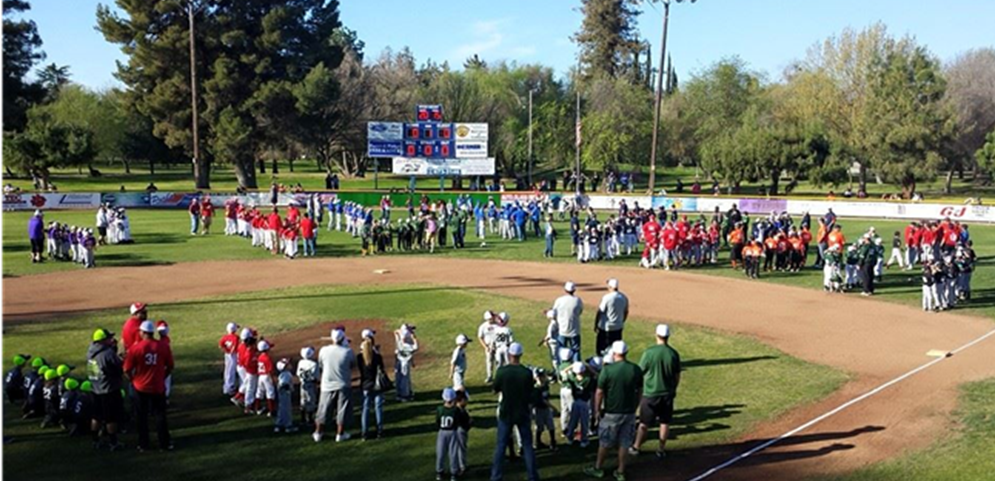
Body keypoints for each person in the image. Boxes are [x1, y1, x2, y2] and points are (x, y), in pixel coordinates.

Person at [586, 342, 643, 481]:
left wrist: (596, 410)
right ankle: (621, 471)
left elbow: (599, 392)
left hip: (611, 412)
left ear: (613, 353)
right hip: (629, 413)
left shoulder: (607, 371)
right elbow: (640, 391)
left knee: (605, 442)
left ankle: (598, 468)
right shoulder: (635, 369)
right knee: (625, 443)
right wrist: (635, 406)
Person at [491, 343, 540, 481]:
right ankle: (532, 476)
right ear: (520, 355)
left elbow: (495, 389)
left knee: (501, 446)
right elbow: (530, 392)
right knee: (527, 445)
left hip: (506, 411)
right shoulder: (526, 373)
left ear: (509, 354)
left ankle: (496, 476)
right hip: (522, 411)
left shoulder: (502, 371)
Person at [631, 325, 681, 459]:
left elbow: (640, 371)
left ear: (656, 335)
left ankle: (636, 446)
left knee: (644, 423)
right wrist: (673, 388)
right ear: (668, 336)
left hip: (650, 393)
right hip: (667, 393)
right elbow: (677, 376)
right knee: (665, 422)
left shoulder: (649, 353)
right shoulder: (673, 353)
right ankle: (661, 449)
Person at [123, 321, 174, 452]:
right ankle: (164, 443)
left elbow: (127, 369)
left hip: (141, 387)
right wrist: (162, 377)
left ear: (143, 333)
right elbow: (170, 366)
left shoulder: (136, 348)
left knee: (142, 417)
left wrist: (132, 380)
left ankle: (143, 444)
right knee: (160, 416)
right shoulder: (163, 346)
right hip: (158, 387)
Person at [314, 329, 356, 443]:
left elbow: (321, 364)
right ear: (343, 339)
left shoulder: (324, 350)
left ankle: (318, 433)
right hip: (343, 384)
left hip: (327, 385)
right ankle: (340, 434)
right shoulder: (348, 352)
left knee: (323, 409)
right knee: (342, 410)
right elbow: (352, 365)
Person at [87, 328, 125, 451]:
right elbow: (118, 369)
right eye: (108, 338)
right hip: (108, 389)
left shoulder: (90, 351)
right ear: (102, 340)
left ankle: (95, 440)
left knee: (96, 416)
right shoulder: (107, 354)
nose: (111, 339)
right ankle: (113, 442)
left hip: (94, 388)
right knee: (111, 417)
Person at [358, 329, 387, 441]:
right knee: (378, 408)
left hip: (365, 385)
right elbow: (381, 369)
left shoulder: (360, 358)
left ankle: (364, 433)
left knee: (365, 409)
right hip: (377, 385)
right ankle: (379, 431)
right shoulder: (377, 357)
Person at [436, 388, 470, 481]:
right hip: (452, 432)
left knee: (440, 452)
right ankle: (454, 473)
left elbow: (438, 421)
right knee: (453, 452)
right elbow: (460, 420)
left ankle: (439, 471)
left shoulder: (439, 409)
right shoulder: (455, 410)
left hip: (442, 432)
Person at [596, 279, 629, 356]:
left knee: (602, 350)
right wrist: (621, 321)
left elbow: (600, 311)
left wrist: (596, 324)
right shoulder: (624, 297)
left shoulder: (607, 297)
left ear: (610, 287)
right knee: (616, 350)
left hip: (606, 328)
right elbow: (626, 312)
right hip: (618, 327)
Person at [553, 282, 584, 363]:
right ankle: (577, 367)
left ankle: (561, 368)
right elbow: (580, 311)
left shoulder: (559, 300)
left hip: (562, 330)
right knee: (576, 351)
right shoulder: (577, 300)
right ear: (574, 290)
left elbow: (554, 313)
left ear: (565, 290)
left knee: (561, 351)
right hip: (575, 330)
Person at [395, 324, 419, 402]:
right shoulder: (407, 345)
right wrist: (414, 338)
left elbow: (395, 332)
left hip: (399, 361)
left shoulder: (399, 341)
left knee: (399, 378)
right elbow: (416, 347)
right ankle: (405, 396)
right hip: (404, 363)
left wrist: (401, 332)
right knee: (405, 379)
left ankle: (399, 394)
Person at [297, 347, 319, 428]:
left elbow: (298, 374)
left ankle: (302, 419)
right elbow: (316, 378)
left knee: (303, 401)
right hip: (311, 385)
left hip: (303, 384)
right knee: (311, 401)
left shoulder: (300, 362)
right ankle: (309, 419)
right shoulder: (314, 364)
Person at [274, 359, 296, 434]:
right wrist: (288, 389)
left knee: (281, 409)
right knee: (287, 410)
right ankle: (288, 426)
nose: (290, 365)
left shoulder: (283, 373)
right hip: (285, 394)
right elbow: (284, 384)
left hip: (282, 394)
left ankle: (279, 425)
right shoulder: (286, 374)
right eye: (288, 364)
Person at [478, 311, 500, 384]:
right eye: (490, 318)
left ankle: (498, 376)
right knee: (489, 361)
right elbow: (480, 337)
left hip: (497, 346)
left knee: (498, 361)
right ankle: (489, 376)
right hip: (488, 346)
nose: (492, 319)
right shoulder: (483, 326)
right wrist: (485, 347)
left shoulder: (497, 325)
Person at [219, 323, 240, 397]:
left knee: (227, 370)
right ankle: (230, 388)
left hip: (227, 355)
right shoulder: (236, 337)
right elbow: (235, 346)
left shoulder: (225, 337)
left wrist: (226, 351)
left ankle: (226, 387)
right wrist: (231, 351)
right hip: (233, 355)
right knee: (232, 371)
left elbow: (221, 345)